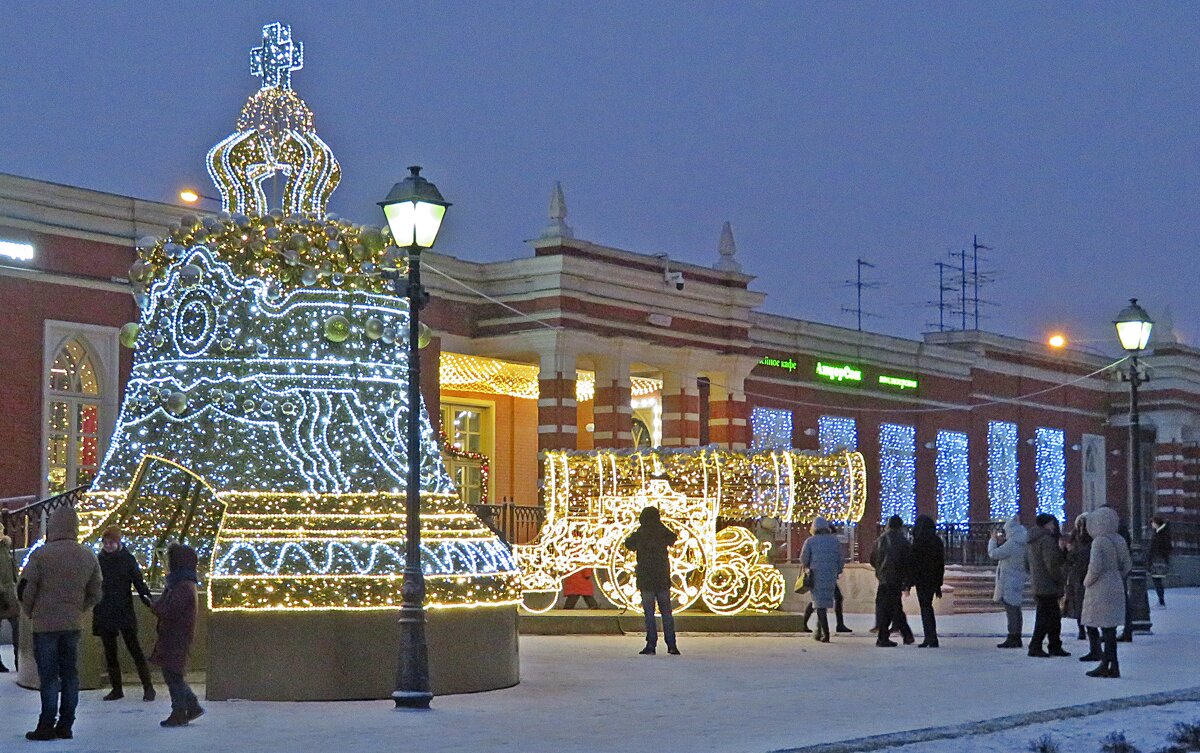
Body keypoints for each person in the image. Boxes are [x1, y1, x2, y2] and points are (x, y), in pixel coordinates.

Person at [18, 507, 103, 741]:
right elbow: (96, 592)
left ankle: (46, 724)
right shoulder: (87, 555)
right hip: (72, 624)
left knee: (48, 677)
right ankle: (66, 724)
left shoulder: (41, 555)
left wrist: (30, 612)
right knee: (70, 675)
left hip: (44, 626)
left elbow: (27, 589)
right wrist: (78, 609)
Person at [93, 526, 156, 701]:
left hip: (123, 610)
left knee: (134, 649)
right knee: (110, 653)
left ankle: (148, 687)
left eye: (111, 542)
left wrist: (148, 599)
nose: (108, 546)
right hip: (106, 610)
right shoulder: (99, 560)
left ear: (118, 542)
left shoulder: (127, 560)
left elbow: (138, 582)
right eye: (105, 542)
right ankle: (117, 688)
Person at [151, 543, 204, 727]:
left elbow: (171, 610)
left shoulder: (181, 586)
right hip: (175, 636)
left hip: (176, 636)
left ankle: (180, 710)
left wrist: (155, 606)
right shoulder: (181, 584)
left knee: (173, 674)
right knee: (173, 673)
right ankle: (190, 705)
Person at [1080, 506, 1132, 678]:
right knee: (1111, 629)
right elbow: (1127, 565)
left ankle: (1106, 664)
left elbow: (1095, 567)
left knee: (1105, 629)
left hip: (1100, 588)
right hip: (1116, 584)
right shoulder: (1119, 540)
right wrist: (1117, 576)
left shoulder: (1099, 542)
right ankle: (1113, 664)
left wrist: (1087, 582)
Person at [623, 507, 679, 656]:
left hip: (646, 578)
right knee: (667, 613)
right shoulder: (662, 531)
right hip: (662, 578)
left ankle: (651, 644)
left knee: (649, 614)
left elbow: (628, 544)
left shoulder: (641, 533)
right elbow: (673, 537)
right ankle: (671, 644)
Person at [1026, 514, 1070, 658]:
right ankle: (1038, 645)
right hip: (1048, 584)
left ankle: (1053, 644)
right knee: (1047, 618)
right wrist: (1060, 578)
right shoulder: (1046, 540)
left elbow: (1027, 563)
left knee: (1050, 616)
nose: (1054, 526)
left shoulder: (1033, 540)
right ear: (1046, 525)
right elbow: (1052, 564)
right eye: (1052, 523)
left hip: (1039, 583)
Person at [870, 515, 914, 647]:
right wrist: (906, 580)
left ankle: (900, 635)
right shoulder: (903, 541)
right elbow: (907, 562)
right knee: (893, 607)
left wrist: (880, 570)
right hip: (895, 578)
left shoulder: (880, 540)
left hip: (883, 578)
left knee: (889, 607)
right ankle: (894, 636)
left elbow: (873, 559)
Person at [799, 517, 843, 642]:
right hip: (831, 575)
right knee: (822, 603)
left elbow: (803, 559)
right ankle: (819, 632)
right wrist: (837, 570)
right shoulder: (834, 541)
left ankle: (825, 633)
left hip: (816, 574)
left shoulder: (810, 541)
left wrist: (808, 567)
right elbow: (840, 558)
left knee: (819, 604)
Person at [988, 515, 1028, 649]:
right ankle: (1016, 636)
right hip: (1018, 578)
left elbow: (994, 554)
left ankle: (1013, 636)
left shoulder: (1012, 543)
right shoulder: (1023, 542)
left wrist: (992, 540)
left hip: (1009, 580)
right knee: (1016, 609)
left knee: (1011, 610)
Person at [909, 515, 945, 648]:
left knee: (925, 607)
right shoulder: (936, 541)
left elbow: (913, 562)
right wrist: (939, 583)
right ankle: (931, 637)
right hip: (932, 578)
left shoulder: (918, 541)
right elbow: (940, 563)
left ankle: (930, 637)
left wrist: (910, 580)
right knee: (928, 606)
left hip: (922, 579)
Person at [1064, 514, 1092, 643]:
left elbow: (1070, 557)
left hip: (1079, 573)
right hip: (1083, 573)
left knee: (1080, 603)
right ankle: (1085, 630)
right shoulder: (1092, 538)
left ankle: (1082, 630)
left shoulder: (1074, 538)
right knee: (1084, 603)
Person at [0, 533, 19, 673]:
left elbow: (12, 573)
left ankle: (19, 659)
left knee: (17, 628)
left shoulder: (6, 548)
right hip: (4, 594)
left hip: (9, 594)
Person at [1149, 516, 1172, 607]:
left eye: (1153, 522)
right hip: (1157, 559)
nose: (1151, 524)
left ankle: (1161, 601)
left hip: (1158, 560)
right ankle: (1161, 600)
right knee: (1157, 580)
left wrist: (1158, 554)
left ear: (1157, 523)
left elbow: (1166, 547)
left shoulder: (1160, 534)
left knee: (1157, 580)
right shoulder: (1159, 533)